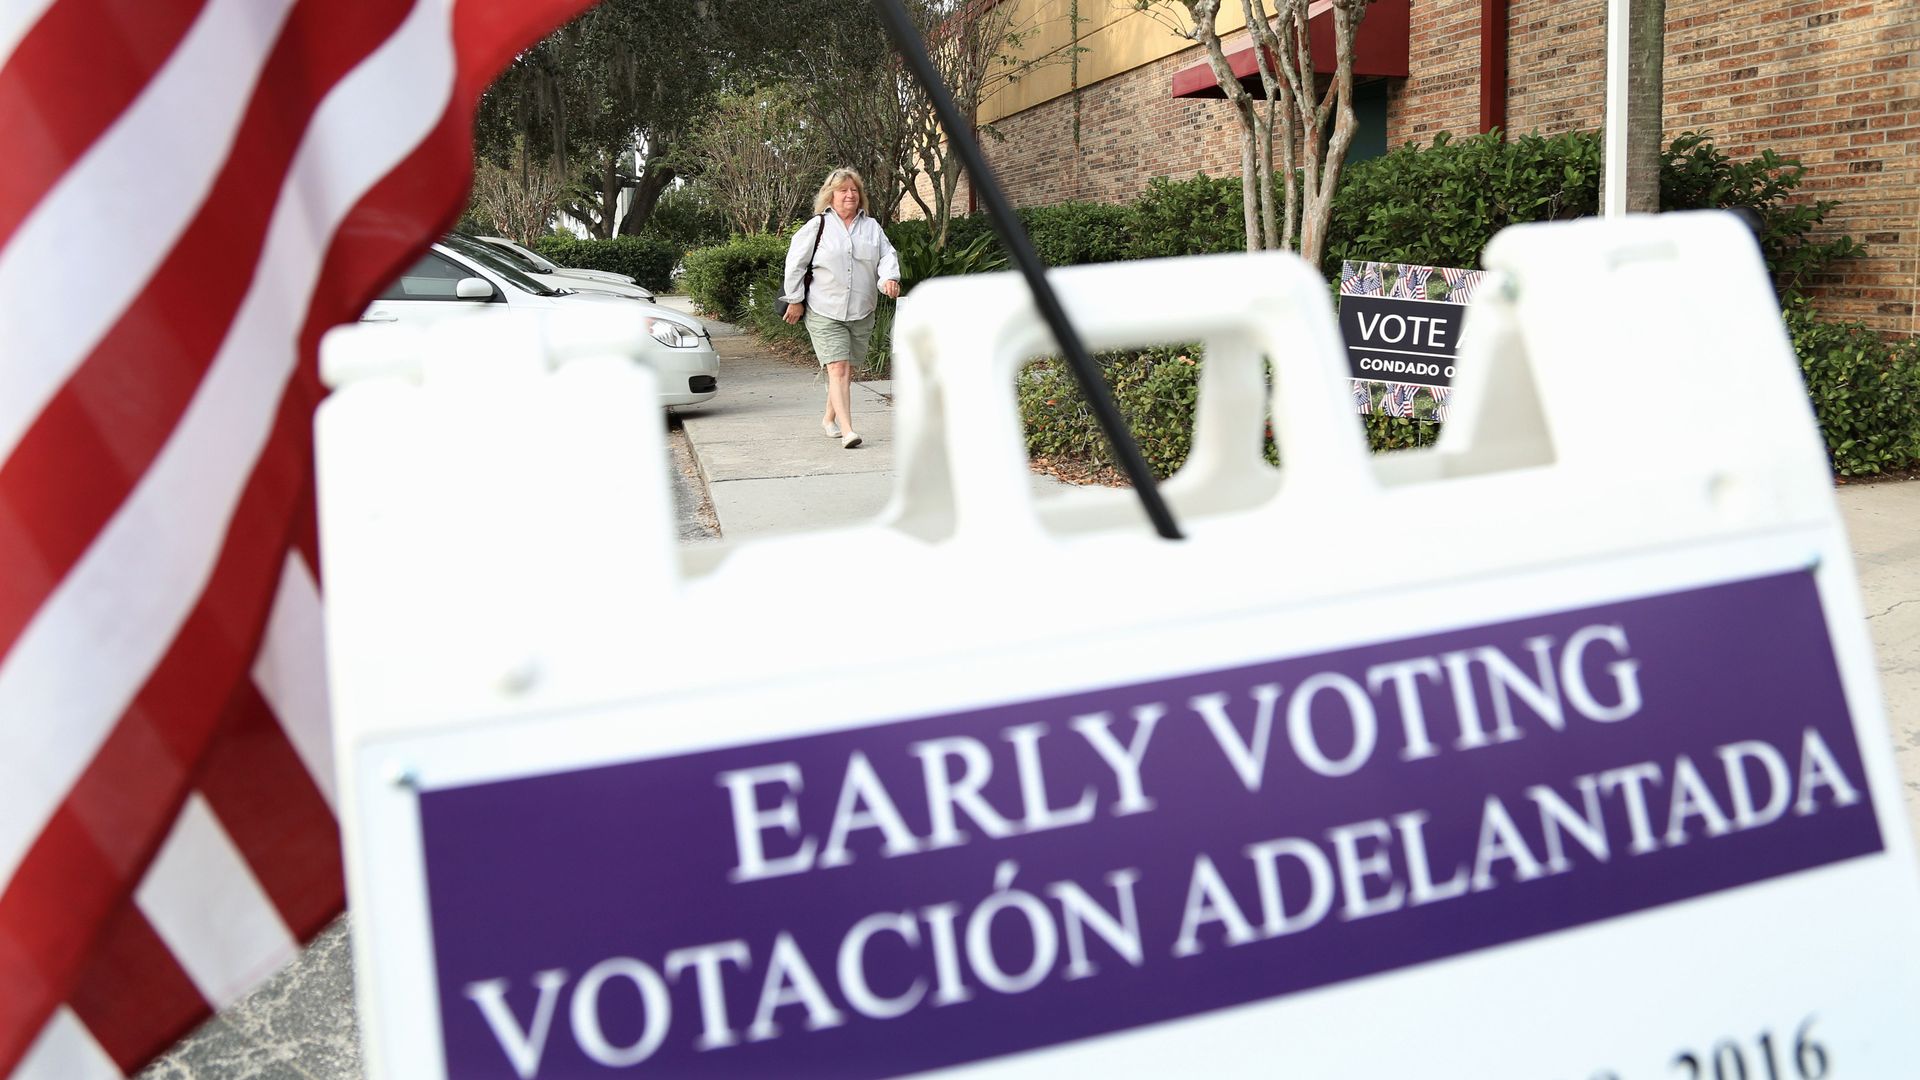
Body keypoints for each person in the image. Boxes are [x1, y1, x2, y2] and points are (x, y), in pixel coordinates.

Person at [782, 167, 901, 449]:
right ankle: (849, 430)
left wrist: (889, 278)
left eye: (854, 190)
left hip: (862, 309)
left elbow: (887, 256)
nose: (850, 195)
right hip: (824, 309)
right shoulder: (817, 226)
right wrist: (795, 299)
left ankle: (828, 418)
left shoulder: (871, 227)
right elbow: (795, 263)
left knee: (845, 370)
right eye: (843, 190)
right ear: (830, 196)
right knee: (838, 368)